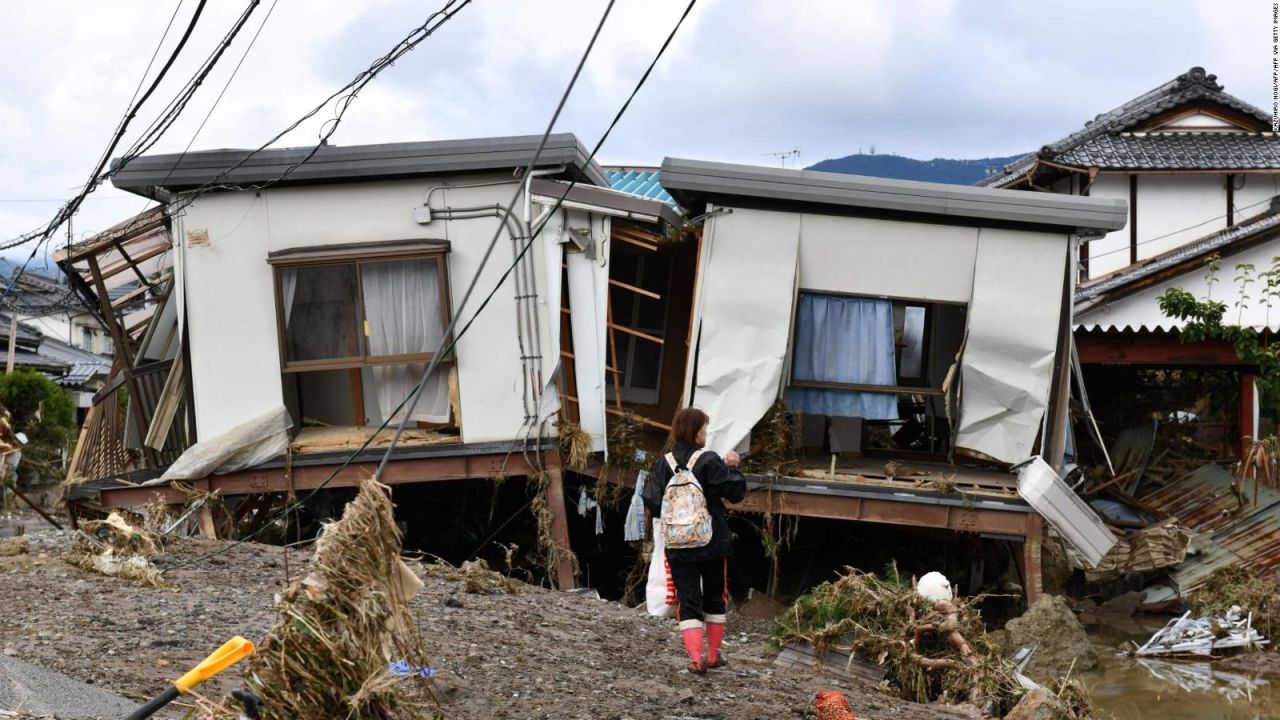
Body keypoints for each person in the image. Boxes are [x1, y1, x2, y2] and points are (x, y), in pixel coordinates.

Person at [642, 407, 747, 674]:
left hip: (678, 544)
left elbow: (653, 503)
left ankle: (695, 658)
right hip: (711, 542)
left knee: (688, 600)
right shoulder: (710, 460)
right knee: (715, 597)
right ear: (697, 431)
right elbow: (735, 493)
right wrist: (732, 468)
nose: (706, 433)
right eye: (704, 428)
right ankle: (712, 655)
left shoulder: (662, 463)